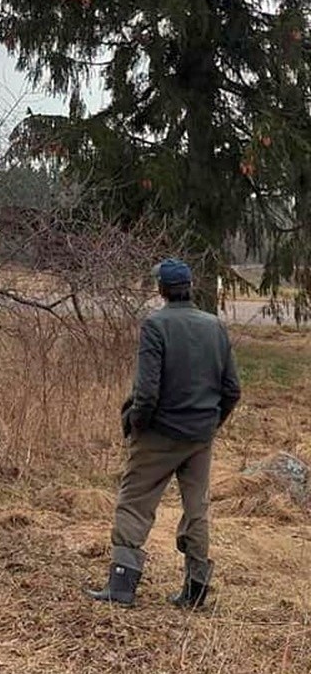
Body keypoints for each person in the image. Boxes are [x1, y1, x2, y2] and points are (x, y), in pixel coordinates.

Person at [87, 258, 241, 609]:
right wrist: (210, 424)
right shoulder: (215, 326)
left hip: (160, 433)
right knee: (196, 508)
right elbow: (233, 389)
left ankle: (121, 586)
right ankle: (196, 590)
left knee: (134, 503)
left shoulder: (156, 325)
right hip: (200, 435)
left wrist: (137, 424)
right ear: (189, 286)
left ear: (161, 289)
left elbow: (147, 392)